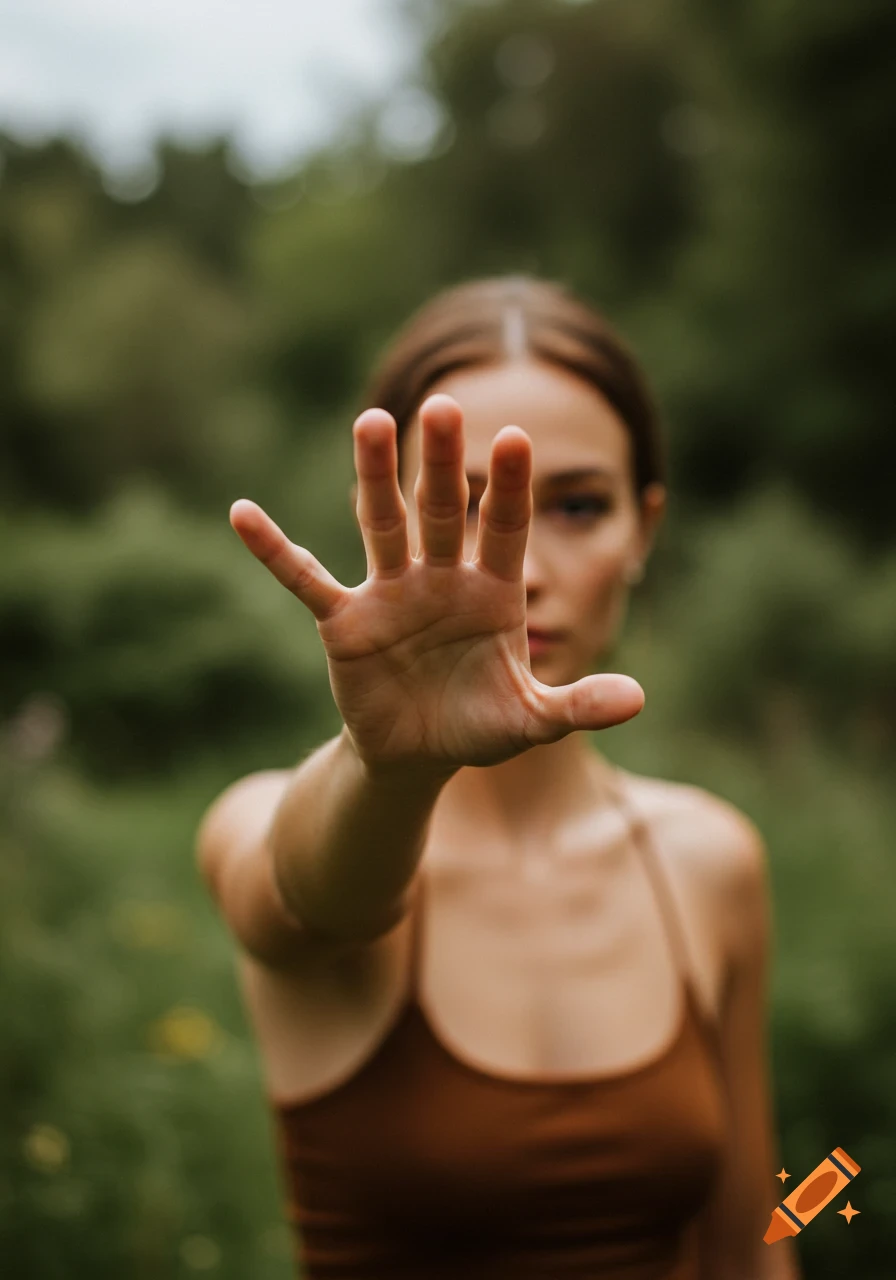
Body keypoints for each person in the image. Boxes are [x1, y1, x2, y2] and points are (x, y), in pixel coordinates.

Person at [196, 275, 801, 1279]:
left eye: (574, 504)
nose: (514, 569)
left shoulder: (712, 858)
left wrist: (830, 1197)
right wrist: (385, 764)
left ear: (642, 529)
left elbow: (755, 1236)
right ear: (379, 510)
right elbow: (308, 899)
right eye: (464, 503)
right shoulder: (272, 820)